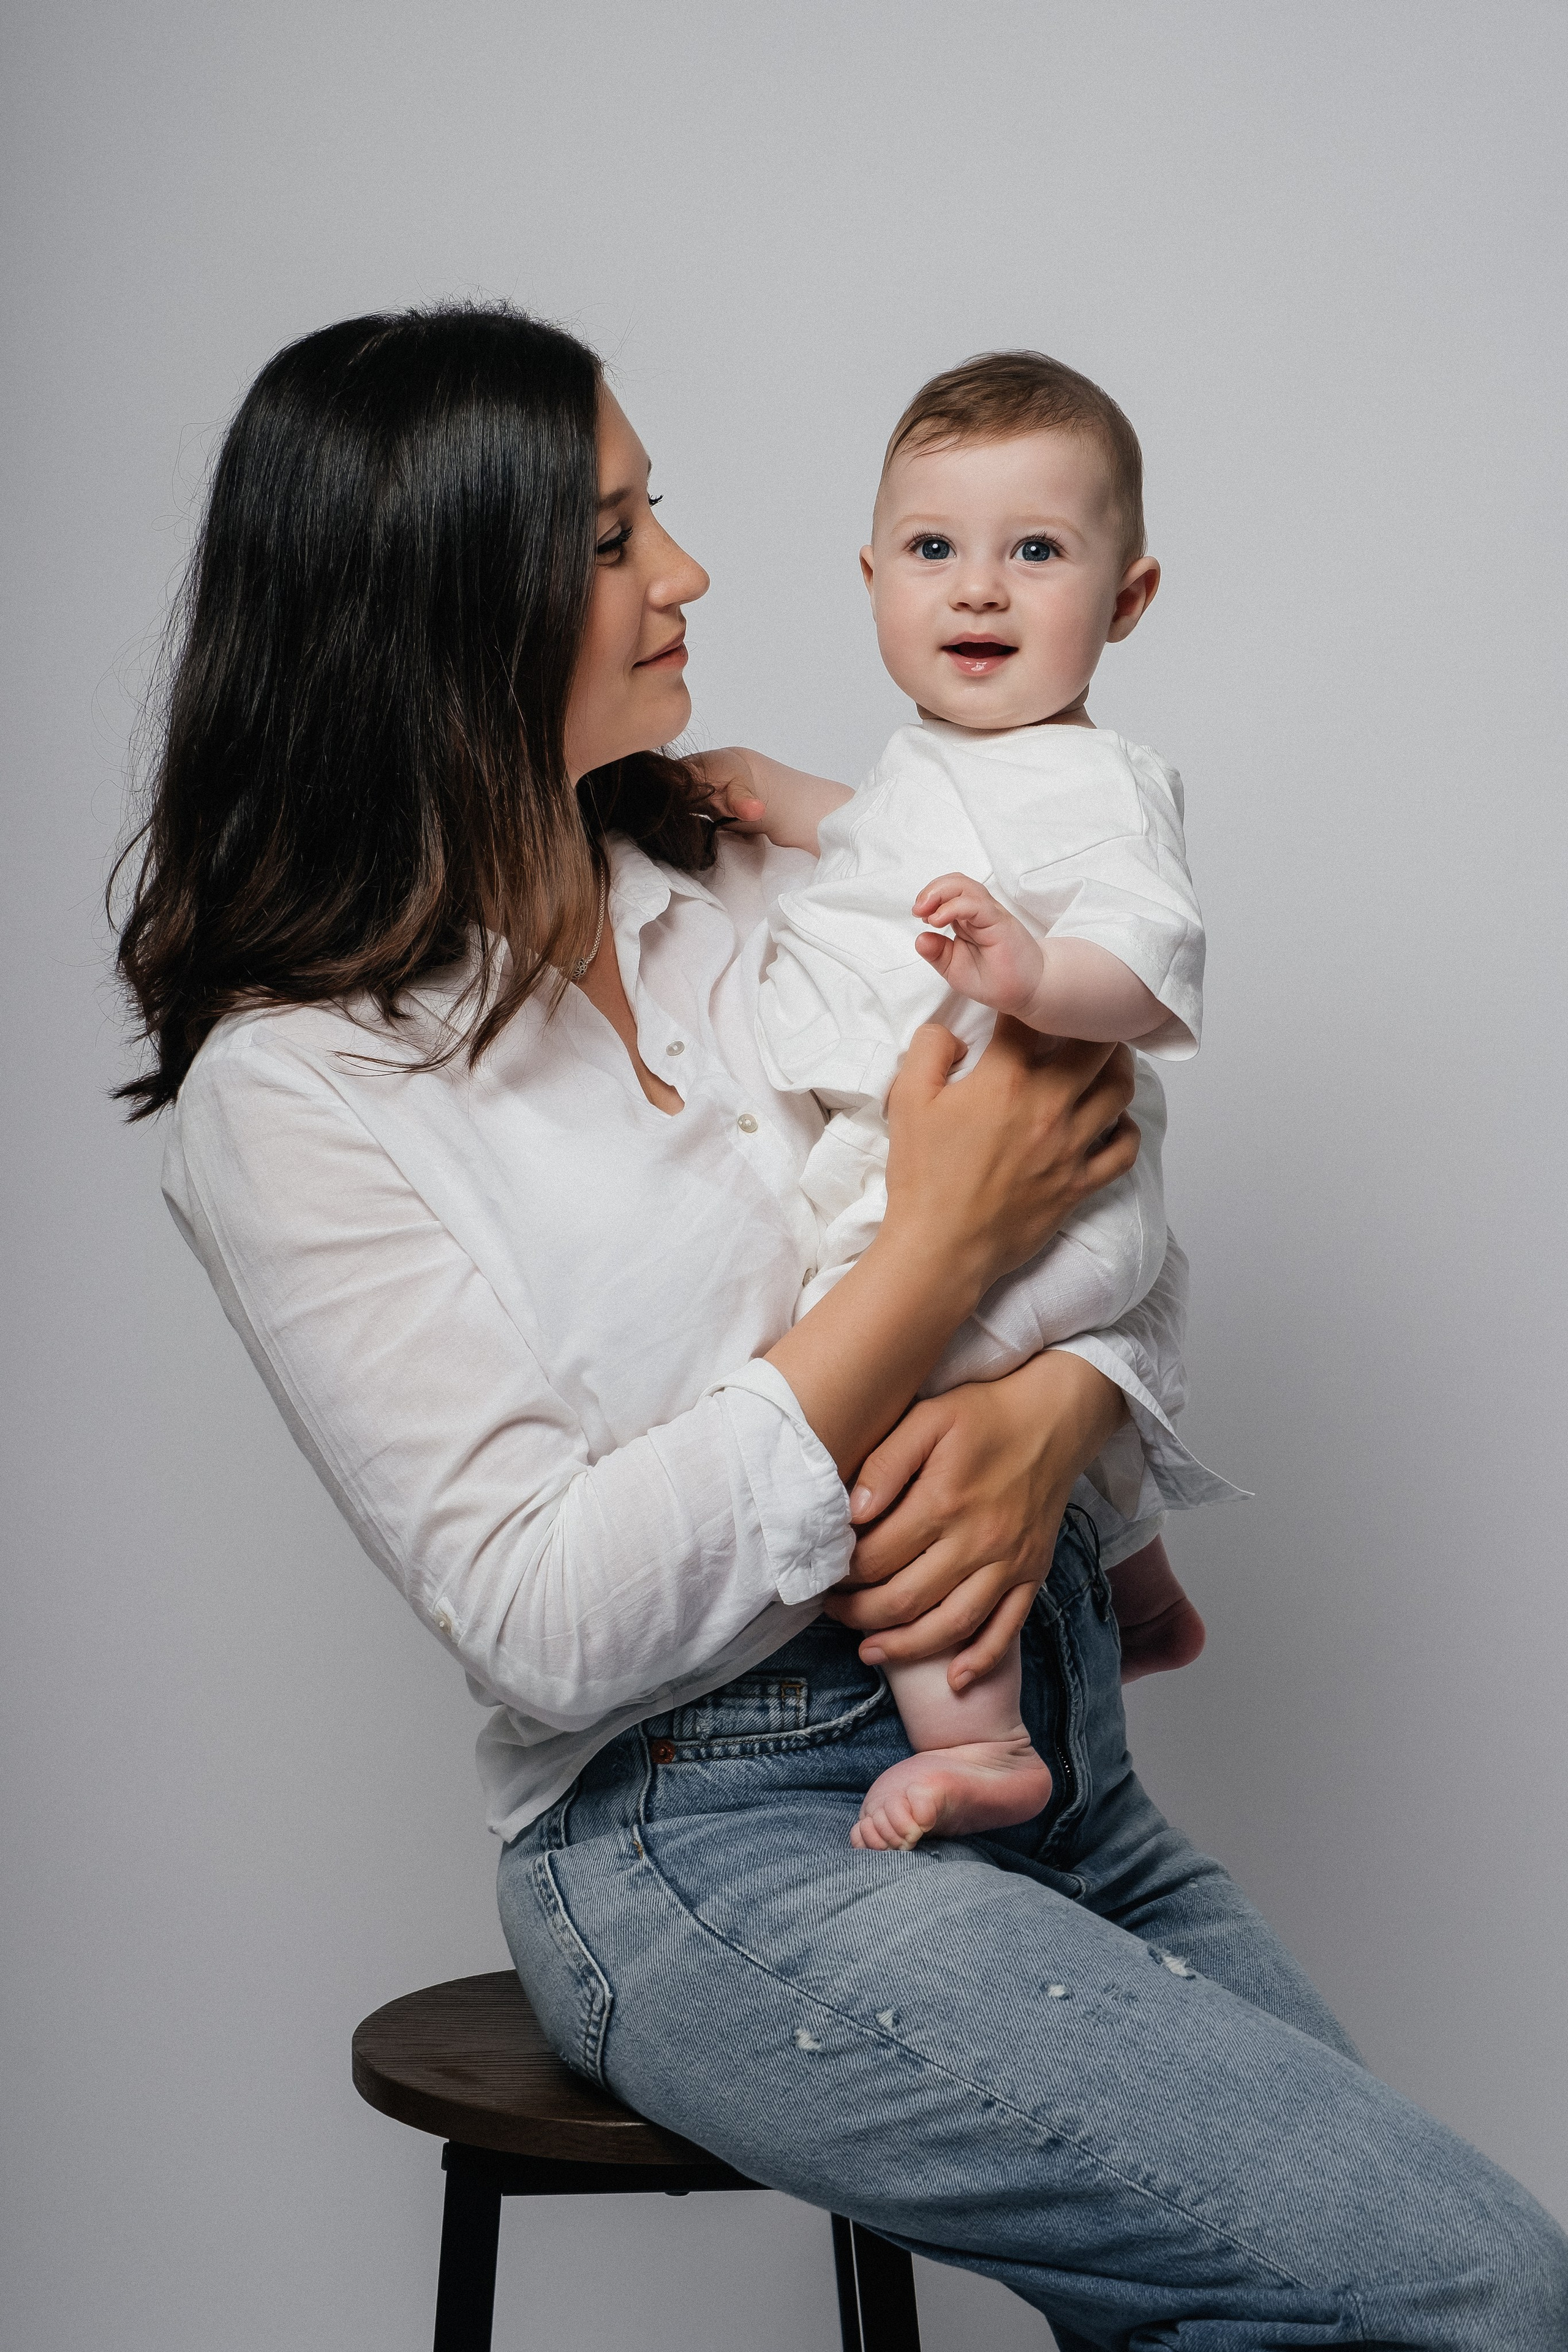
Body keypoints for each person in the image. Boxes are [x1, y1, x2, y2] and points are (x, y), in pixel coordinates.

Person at [115, 303, 1568, 2348]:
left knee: (1418, 2304)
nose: (688, 574)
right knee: (1463, 2291)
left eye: (660, 517)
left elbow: (1099, 1179)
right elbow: (540, 1613)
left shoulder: (764, 900)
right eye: (616, 537)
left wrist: (1071, 1403)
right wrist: (923, 1280)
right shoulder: (303, 1097)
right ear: (445, 608)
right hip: (709, 1831)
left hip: (1055, 1745)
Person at [698, 350, 1218, 1852]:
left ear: (1125, 599)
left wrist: (1035, 973)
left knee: (875, 1427)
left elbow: (1150, 959)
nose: (976, 591)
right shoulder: (943, 762)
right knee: (1000, 1390)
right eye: (934, 551)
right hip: (965, 1190)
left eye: (1034, 552)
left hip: (1030, 1199)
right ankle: (1141, 1595)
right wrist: (761, 789)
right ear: (871, 579)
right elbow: (865, 837)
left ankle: (979, 1742)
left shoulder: (1100, 782)